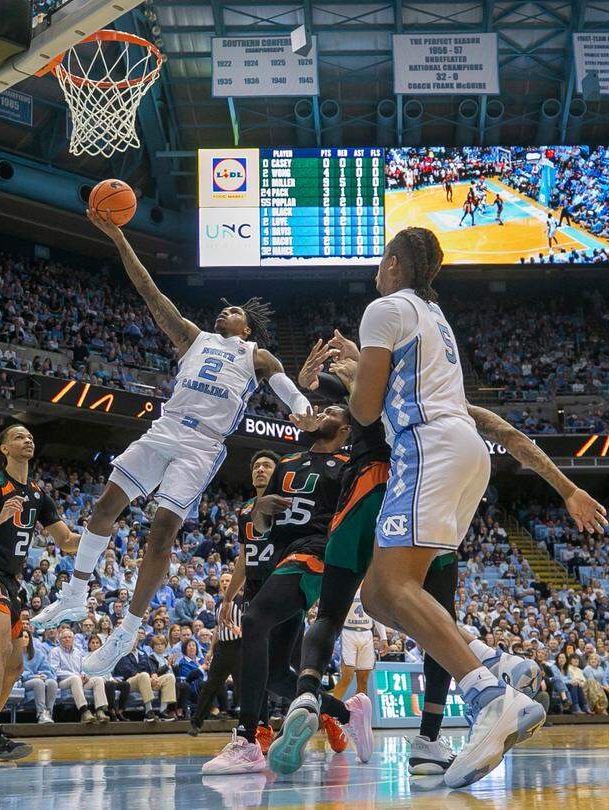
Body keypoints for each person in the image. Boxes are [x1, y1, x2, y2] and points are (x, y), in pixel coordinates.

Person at [32, 210, 314, 684]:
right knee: (104, 508)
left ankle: (126, 632)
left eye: (234, 311)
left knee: (162, 531)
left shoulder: (256, 355)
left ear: (247, 328)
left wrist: (303, 409)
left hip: (202, 444)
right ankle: (75, 593)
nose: (224, 312)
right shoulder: (192, 336)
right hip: (166, 427)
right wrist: (118, 237)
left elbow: (287, 390)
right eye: (222, 309)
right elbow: (148, 290)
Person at [346, 227, 548, 788]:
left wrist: (353, 374)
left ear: (394, 263)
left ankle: (491, 698)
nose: (376, 272)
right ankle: (490, 659)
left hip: (427, 448)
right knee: (379, 595)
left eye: (380, 262)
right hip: (463, 452)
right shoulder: (433, 315)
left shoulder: (385, 308)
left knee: (396, 586)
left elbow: (364, 411)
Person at [202, 407, 355, 776]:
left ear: (346, 429)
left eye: (332, 411)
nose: (323, 413)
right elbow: (260, 525)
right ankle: (347, 712)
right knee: (275, 676)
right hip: (280, 565)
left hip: (315, 554)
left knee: (254, 621)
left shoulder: (349, 466)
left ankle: (247, 741)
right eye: (322, 408)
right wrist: (261, 511)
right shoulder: (287, 462)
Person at [0, 424, 80, 761]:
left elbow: (66, 541)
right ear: (4, 448)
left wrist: (97, 538)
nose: (27, 440)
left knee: (14, 664)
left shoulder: (38, 495)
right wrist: (0, 517)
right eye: (19, 437)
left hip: (12, 583)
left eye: (30, 437)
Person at [191, 452, 279, 736]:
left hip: (283, 587)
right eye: (256, 466)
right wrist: (229, 598)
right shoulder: (244, 511)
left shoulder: (288, 505)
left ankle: (328, 711)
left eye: (267, 465)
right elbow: (243, 557)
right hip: (254, 591)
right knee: (255, 668)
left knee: (282, 668)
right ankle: (258, 729)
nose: (260, 469)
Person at [333, 589, 384, 701]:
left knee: (363, 680)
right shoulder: (347, 588)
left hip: (366, 633)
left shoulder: (371, 590)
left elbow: (377, 616)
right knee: (347, 676)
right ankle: (330, 708)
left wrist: (383, 638)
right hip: (348, 632)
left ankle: (358, 709)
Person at [50, 628, 110, 724]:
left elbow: (83, 668)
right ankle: (84, 712)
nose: (67, 639)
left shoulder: (78, 652)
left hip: (79, 681)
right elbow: (55, 671)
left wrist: (84, 675)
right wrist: (76, 675)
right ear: (60, 640)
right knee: (75, 678)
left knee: (98, 679)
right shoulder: (55, 651)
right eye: (64, 637)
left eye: (69, 637)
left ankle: (99, 711)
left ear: (73, 639)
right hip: (62, 682)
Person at [114, 643, 177, 722]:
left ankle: (163, 711)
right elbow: (127, 670)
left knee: (169, 677)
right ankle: (148, 711)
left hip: (147, 680)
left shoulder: (142, 653)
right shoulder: (122, 654)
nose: (133, 642)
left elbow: (150, 667)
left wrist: (154, 675)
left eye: (135, 640)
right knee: (144, 675)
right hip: (130, 681)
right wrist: (149, 679)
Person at [19, 628, 58, 724]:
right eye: (21, 637)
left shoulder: (38, 653)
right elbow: (16, 673)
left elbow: (47, 668)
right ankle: (41, 714)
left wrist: (44, 674)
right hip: (22, 682)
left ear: (30, 639)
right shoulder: (13, 654)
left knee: (52, 682)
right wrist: (33, 676)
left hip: (38, 678)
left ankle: (48, 712)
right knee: (38, 682)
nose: (24, 639)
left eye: (26, 637)